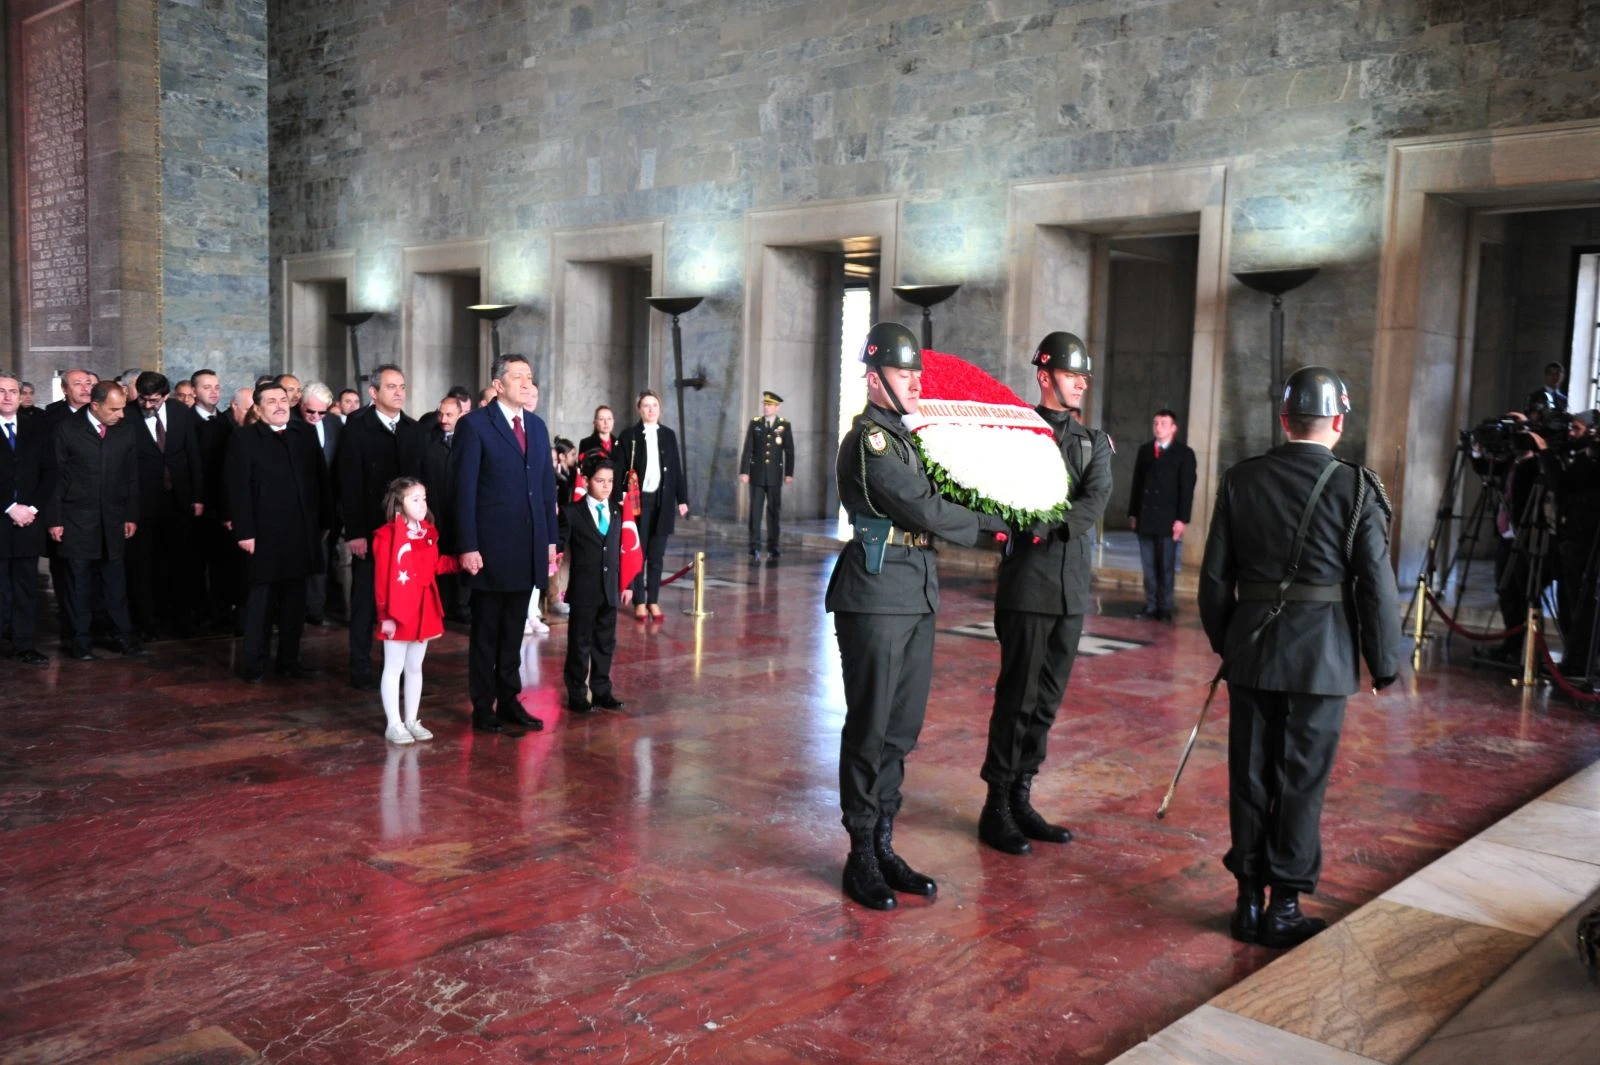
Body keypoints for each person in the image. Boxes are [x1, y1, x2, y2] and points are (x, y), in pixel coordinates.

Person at [1198, 366, 1401, 949]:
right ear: (1338, 421)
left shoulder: (1241, 479)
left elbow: (1216, 580)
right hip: (1323, 659)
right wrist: (1383, 661)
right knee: (1300, 781)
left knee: (1250, 775)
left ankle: (1246, 902)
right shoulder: (1356, 487)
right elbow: (1375, 585)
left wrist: (1228, 642)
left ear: (1284, 419)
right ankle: (1284, 905)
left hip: (1252, 654)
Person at [827, 322, 1011, 911]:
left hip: (916, 590)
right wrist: (992, 526)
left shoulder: (908, 438)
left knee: (900, 729)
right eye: (903, 374)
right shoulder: (871, 442)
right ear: (874, 380)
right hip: (877, 592)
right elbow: (923, 505)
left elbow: (946, 488)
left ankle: (884, 842)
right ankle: (860, 852)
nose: (913, 383)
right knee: (871, 725)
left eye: (915, 373)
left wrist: (995, 500)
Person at [979, 331, 1112, 856]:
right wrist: (1025, 521)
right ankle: (996, 806)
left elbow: (1095, 498)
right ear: (1044, 376)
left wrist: (1046, 522)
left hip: (1069, 589)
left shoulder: (1094, 442)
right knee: (1018, 698)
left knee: (1047, 701)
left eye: (1084, 375)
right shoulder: (1015, 433)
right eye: (1071, 373)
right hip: (1027, 585)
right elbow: (998, 494)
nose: (1081, 382)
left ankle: (1022, 794)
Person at [451, 353, 558, 734]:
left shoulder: (537, 426)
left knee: (514, 631)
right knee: (486, 631)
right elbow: (462, 491)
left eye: (529, 377)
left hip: (527, 546)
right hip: (489, 548)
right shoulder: (475, 426)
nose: (526, 384)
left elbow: (546, 488)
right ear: (498, 385)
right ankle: (483, 704)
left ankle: (510, 699)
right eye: (518, 378)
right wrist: (467, 545)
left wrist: (549, 540)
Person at [225, 381, 331, 682]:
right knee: (261, 603)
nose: (279, 405)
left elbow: (320, 481)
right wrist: (244, 532)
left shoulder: (305, 433)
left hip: (301, 534)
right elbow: (238, 488)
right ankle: (253, 664)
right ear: (258, 409)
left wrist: (324, 523)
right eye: (271, 401)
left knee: (294, 604)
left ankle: (289, 660)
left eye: (283, 399)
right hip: (263, 535)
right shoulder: (244, 438)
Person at [46, 381, 143, 660]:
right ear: (95, 405)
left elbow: (131, 476)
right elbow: (56, 478)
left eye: (122, 408)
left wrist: (130, 515)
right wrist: (55, 519)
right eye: (114, 409)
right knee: (79, 584)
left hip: (113, 519)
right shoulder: (67, 429)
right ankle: (80, 641)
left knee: (115, 583)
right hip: (77, 519)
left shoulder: (124, 429)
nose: (120, 415)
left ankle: (122, 638)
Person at [337, 363, 415, 691]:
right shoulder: (357, 428)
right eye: (391, 387)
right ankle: (360, 666)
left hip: (406, 534)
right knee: (365, 602)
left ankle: (394, 668)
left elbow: (424, 482)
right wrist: (354, 532)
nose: (398, 392)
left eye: (401, 386)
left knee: (401, 602)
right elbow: (347, 483)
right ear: (374, 392)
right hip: (369, 531)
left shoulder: (412, 429)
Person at [373, 477, 456, 743]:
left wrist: (460, 563)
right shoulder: (386, 536)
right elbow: (382, 578)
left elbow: (433, 566)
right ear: (399, 503)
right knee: (393, 667)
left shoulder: (428, 532)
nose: (422, 504)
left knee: (415, 667)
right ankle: (393, 724)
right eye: (415, 499)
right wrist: (384, 615)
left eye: (424, 498)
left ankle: (411, 719)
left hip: (424, 608)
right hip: (399, 610)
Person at [128, 372, 204, 640]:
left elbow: (192, 454)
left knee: (180, 562)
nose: (148, 405)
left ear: (166, 396)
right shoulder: (127, 415)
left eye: (154, 400)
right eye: (143, 399)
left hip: (179, 501)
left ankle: (180, 620)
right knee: (145, 565)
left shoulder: (180, 412)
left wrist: (197, 496)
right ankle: (147, 623)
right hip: (143, 504)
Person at [560, 456, 630, 714]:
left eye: (610, 481)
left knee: (605, 642)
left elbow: (623, 550)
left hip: (609, 588)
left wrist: (626, 583)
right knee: (579, 643)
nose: (606, 486)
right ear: (587, 480)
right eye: (600, 481)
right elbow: (559, 546)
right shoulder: (572, 512)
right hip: (583, 590)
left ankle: (602, 690)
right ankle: (577, 692)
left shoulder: (616, 510)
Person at [617, 390, 689, 620]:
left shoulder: (668, 435)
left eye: (654, 405)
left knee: (657, 555)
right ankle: (639, 601)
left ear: (659, 408)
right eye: (646, 406)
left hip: (663, 501)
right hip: (639, 503)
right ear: (639, 409)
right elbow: (620, 468)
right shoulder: (630, 435)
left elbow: (677, 470)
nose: (650, 409)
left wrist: (682, 499)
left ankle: (653, 600)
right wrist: (620, 495)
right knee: (640, 554)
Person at [1, 372, 54, 666]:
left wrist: (31, 508)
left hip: (29, 522)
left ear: (22, 397)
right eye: (1, 391)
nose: (7, 396)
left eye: (13, 391)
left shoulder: (38, 427)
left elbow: (51, 473)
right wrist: (9, 507)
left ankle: (24, 643)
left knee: (25, 585)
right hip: (2, 518)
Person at [399, 395, 468, 623]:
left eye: (449, 415)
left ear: (460, 415)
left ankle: (463, 606)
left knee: (461, 557)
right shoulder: (428, 441)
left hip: (461, 511)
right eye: (441, 414)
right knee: (437, 558)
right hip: (435, 511)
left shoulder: (468, 441)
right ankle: (442, 605)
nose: (444, 419)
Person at [1128, 408, 1197, 621]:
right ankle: (1151, 604)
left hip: (1168, 519)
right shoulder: (1145, 450)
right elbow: (1137, 484)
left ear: (1173, 428)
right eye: (1156, 423)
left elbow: (1187, 489)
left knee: (1166, 566)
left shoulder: (1184, 454)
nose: (1158, 427)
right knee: (1148, 566)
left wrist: (1181, 520)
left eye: (1163, 424)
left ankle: (1165, 606)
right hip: (1146, 517)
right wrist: (1133, 513)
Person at [190, 370, 237, 633]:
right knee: (196, 563)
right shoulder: (186, 422)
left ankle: (221, 611)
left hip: (222, 505)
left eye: (217, 387)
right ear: (195, 391)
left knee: (223, 563)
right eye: (207, 387)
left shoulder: (226, 422)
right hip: (197, 506)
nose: (214, 392)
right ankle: (199, 612)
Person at [300, 382, 344, 625]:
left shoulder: (334, 424)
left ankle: (317, 609)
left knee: (323, 558)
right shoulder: (292, 426)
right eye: (310, 412)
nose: (315, 417)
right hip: (298, 505)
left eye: (321, 412)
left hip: (327, 505)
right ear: (301, 405)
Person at [739, 390, 795, 560]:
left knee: (773, 512)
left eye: (769, 405)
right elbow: (748, 448)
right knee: (755, 512)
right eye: (765, 404)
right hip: (756, 474)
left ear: (777, 408)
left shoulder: (784, 425)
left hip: (774, 476)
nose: (766, 407)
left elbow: (789, 451)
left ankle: (773, 546)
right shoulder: (755, 424)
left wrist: (789, 473)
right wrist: (744, 471)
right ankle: (754, 546)